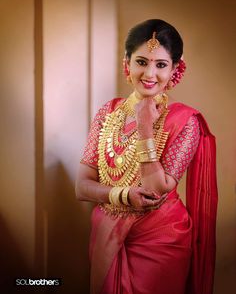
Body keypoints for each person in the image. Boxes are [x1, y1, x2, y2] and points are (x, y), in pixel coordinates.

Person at [76, 19, 218, 294]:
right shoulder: (109, 112)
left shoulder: (185, 121)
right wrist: (124, 196)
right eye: (141, 61)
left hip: (161, 240)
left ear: (176, 69)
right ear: (127, 63)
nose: (149, 73)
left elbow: (155, 190)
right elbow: (81, 186)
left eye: (161, 65)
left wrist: (144, 127)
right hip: (107, 233)